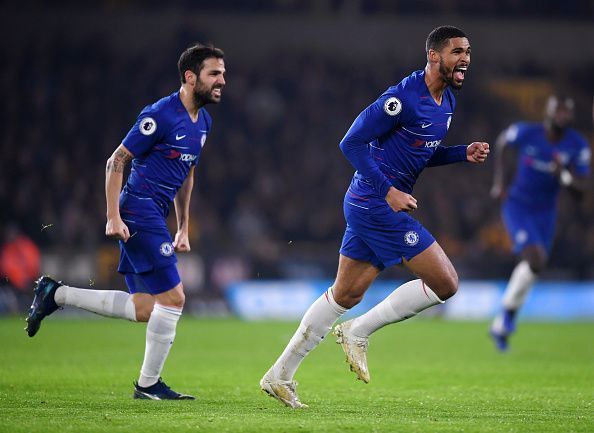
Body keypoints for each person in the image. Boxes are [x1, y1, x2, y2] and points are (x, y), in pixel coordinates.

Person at [260, 26, 490, 408]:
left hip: (372, 203)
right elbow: (350, 142)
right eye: (456, 51)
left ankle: (279, 375)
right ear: (433, 56)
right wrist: (389, 191)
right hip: (375, 203)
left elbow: (422, 152)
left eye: (468, 51)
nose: (465, 58)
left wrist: (461, 153)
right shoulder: (403, 97)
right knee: (446, 283)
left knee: (345, 293)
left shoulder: (446, 100)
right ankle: (358, 332)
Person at [25, 43, 226, 399]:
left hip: (156, 214)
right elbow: (116, 160)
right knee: (175, 298)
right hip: (138, 209)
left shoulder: (204, 122)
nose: (222, 80)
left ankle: (56, 294)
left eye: (222, 74)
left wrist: (182, 226)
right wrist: (113, 216)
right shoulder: (161, 114)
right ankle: (148, 385)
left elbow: (187, 172)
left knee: (146, 308)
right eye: (214, 73)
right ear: (190, 77)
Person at [489, 95, 590, 351]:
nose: (562, 115)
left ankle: (503, 322)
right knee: (535, 259)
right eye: (558, 110)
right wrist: (500, 181)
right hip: (518, 206)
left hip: (546, 213)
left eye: (566, 112)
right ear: (547, 111)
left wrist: (564, 175)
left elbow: (582, 190)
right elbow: (502, 142)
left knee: (534, 267)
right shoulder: (527, 132)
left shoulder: (577, 145)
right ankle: (507, 318)